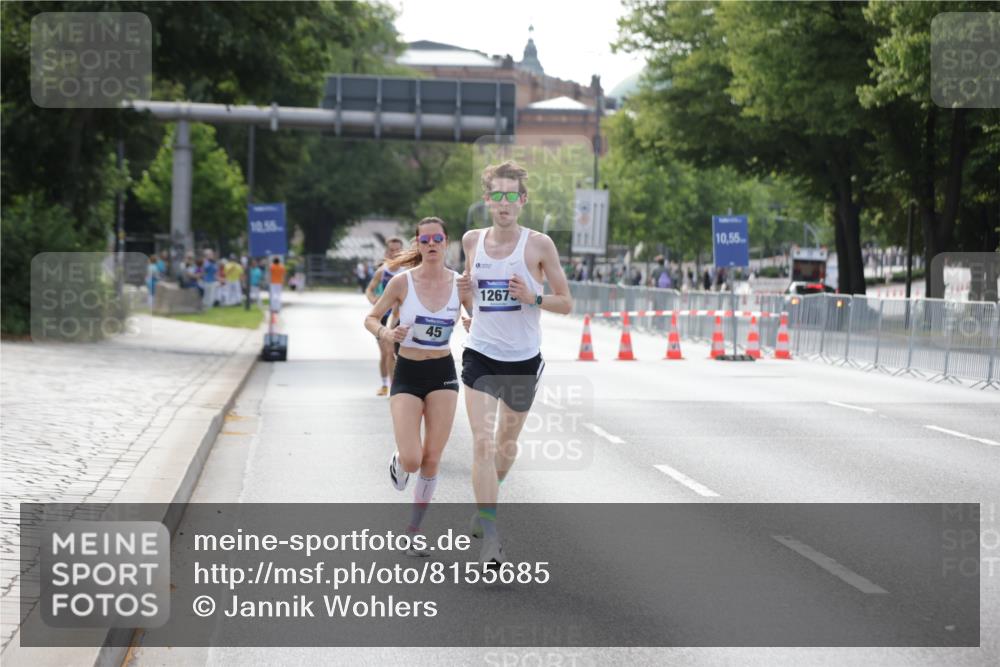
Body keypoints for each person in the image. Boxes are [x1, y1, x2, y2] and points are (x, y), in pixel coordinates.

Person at [457, 161, 572, 566]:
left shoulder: (538, 245)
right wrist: (464, 295)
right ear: (487, 199)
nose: (504, 203)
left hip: (522, 360)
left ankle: (490, 495)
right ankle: (490, 535)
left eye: (512, 196)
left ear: (522, 201)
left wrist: (533, 297)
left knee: (506, 444)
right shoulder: (472, 241)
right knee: (483, 444)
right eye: (497, 195)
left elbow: (566, 302)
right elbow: (472, 302)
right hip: (480, 354)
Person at [364, 218, 471, 556]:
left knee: (432, 458)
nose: (432, 244)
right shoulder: (401, 283)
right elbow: (371, 318)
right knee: (412, 459)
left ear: (446, 242)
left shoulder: (461, 284)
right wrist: (386, 333)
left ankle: (413, 531)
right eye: (425, 240)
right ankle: (399, 460)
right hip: (408, 372)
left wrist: (473, 322)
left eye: (438, 238)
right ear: (418, 244)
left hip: (442, 371)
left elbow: (479, 319)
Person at [365, 237, 405, 396]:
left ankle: (394, 385)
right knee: (386, 353)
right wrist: (374, 300)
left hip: (399, 315)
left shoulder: (408, 270)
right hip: (383, 316)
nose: (395, 253)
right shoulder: (382, 271)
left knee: (394, 353)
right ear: (387, 252)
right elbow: (369, 290)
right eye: (391, 250)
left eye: (398, 250)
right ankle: (385, 384)